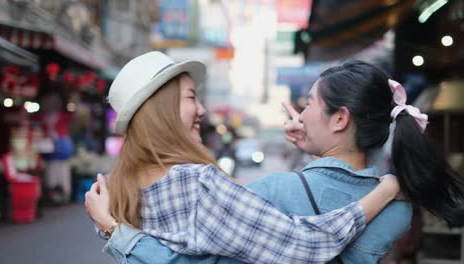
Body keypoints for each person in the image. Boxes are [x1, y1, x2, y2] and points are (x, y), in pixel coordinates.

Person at [85, 52, 402, 264]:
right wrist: (385, 191)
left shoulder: (118, 193)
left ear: (340, 119)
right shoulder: (199, 185)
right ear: (162, 111)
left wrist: (114, 230)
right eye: (191, 98)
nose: (202, 110)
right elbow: (307, 246)